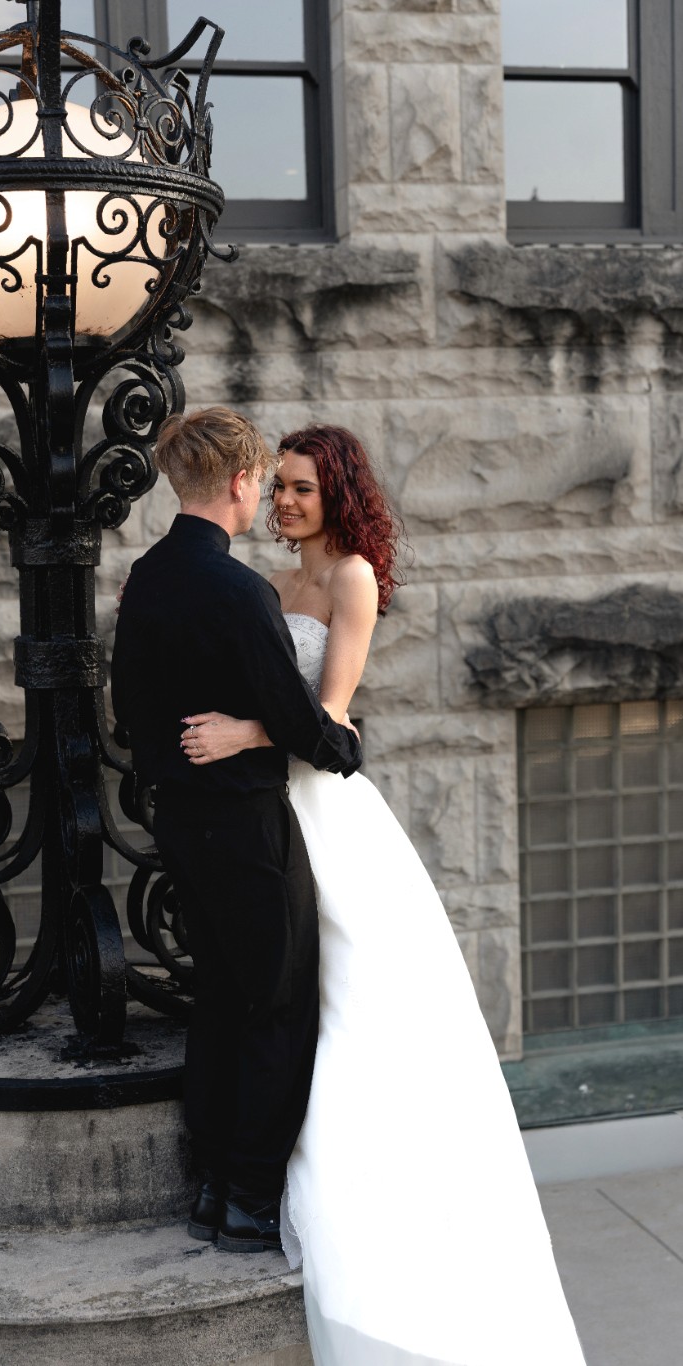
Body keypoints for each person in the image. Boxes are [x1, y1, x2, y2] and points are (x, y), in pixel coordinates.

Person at [180, 425, 587, 1366]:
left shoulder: (352, 579)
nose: (285, 502)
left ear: (339, 495)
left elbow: (325, 714)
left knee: (339, 979)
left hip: (316, 799)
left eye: (302, 489)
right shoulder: (265, 585)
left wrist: (243, 736)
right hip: (253, 803)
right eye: (277, 487)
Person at [110, 407, 362, 1255]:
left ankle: (215, 1185)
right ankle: (250, 1196)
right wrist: (344, 749)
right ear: (242, 484)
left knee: (217, 998)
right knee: (275, 1006)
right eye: (268, 483)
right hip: (250, 825)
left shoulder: (146, 576)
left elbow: (129, 714)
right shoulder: (241, 590)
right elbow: (299, 719)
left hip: (180, 821)